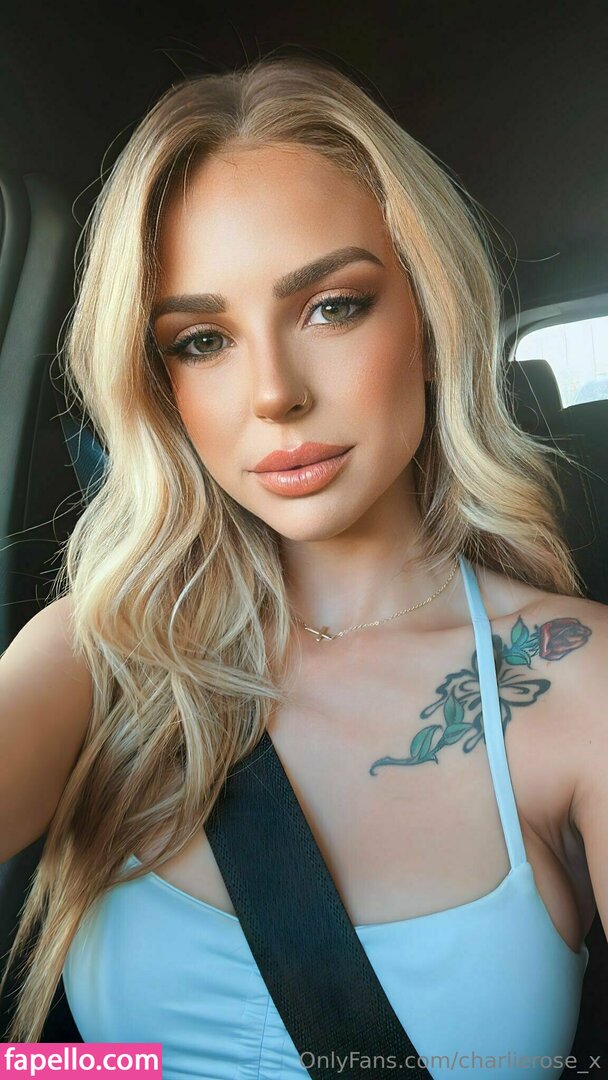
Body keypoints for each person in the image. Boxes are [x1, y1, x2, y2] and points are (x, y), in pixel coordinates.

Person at [0, 52, 606, 1077]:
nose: (273, 393)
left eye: (332, 305)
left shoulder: (577, 681)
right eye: (202, 340)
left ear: (428, 321)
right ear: (160, 387)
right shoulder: (99, 655)